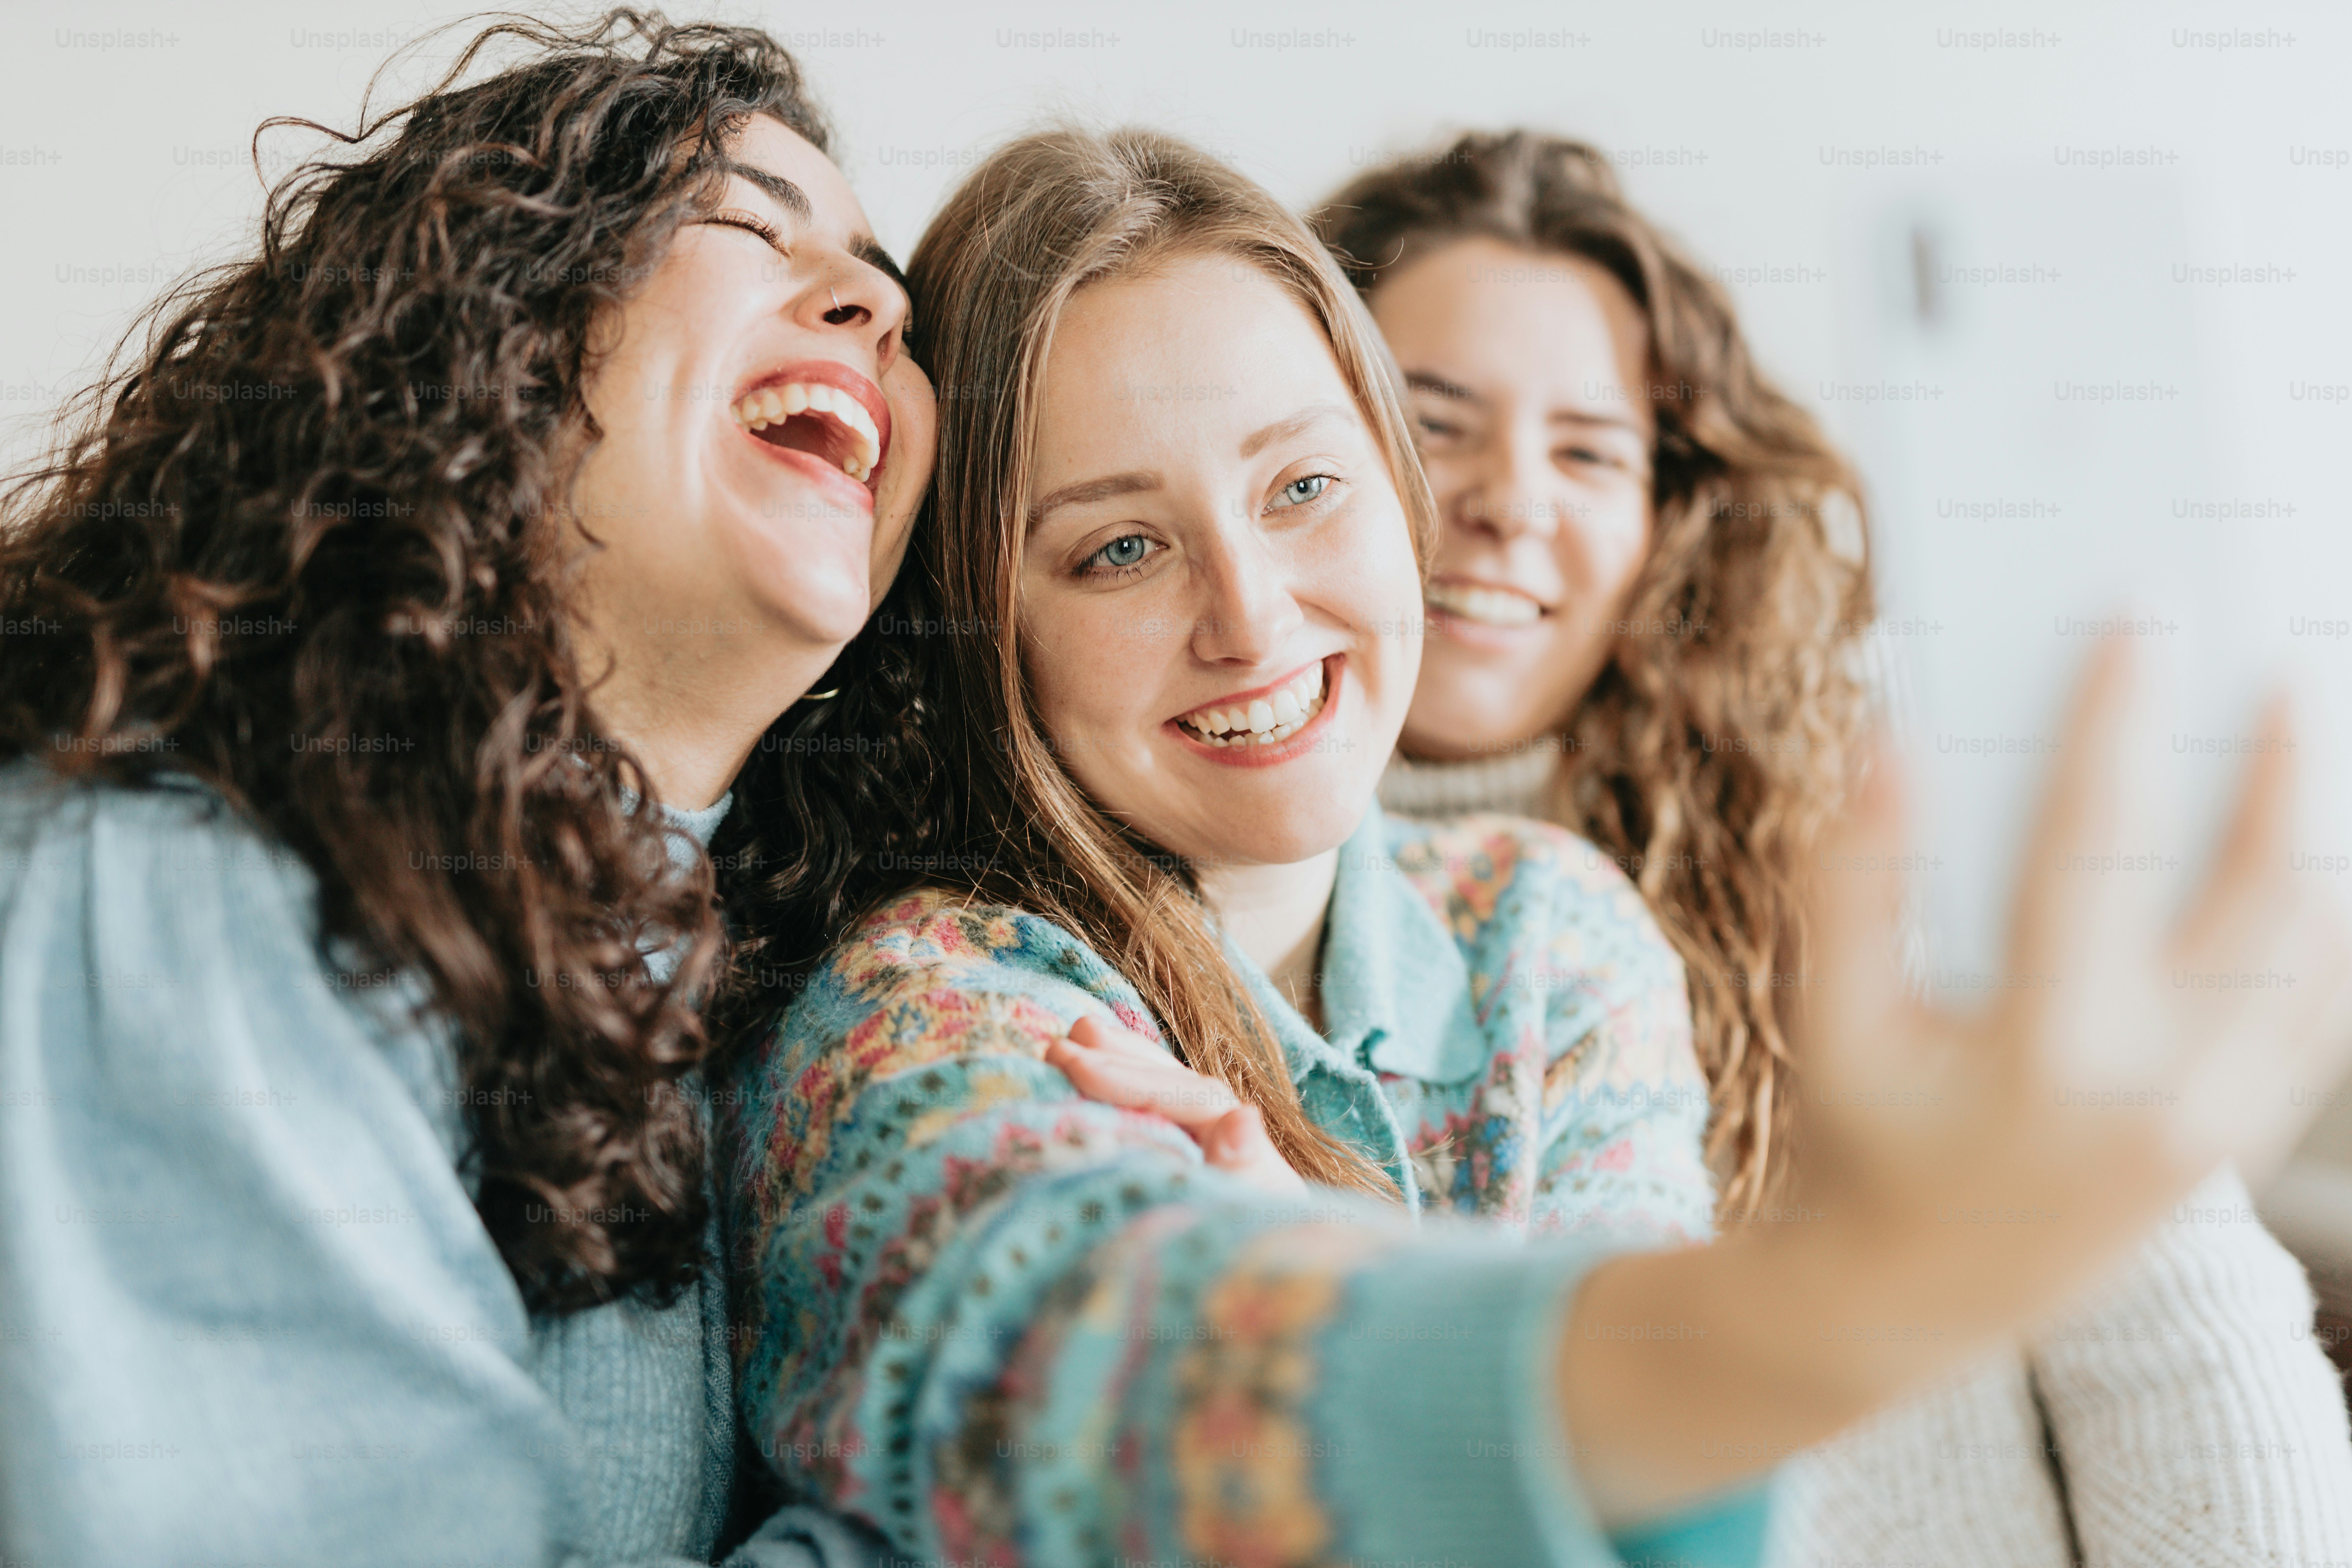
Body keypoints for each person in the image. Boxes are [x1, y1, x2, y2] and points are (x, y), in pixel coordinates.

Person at [717, 125, 2352, 1568]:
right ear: (976, 622)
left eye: (1300, 487)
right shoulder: (919, 997)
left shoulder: (1559, 918)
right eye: (1121, 547)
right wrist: (1859, 1292)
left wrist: (1327, 1239)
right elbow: (1053, 1362)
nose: (1251, 611)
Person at [1314, 129, 2352, 1565]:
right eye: (1434, 419)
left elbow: (2184, 1357)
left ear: (1668, 518)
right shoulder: (1176, 936)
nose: (1513, 496)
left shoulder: (1865, 862)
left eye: (1591, 449)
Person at [0, 14, 937, 1564]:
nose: (877, 305)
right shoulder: (169, 875)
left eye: (891, 305)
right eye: (751, 227)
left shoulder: (788, 997)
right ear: (491, 317)